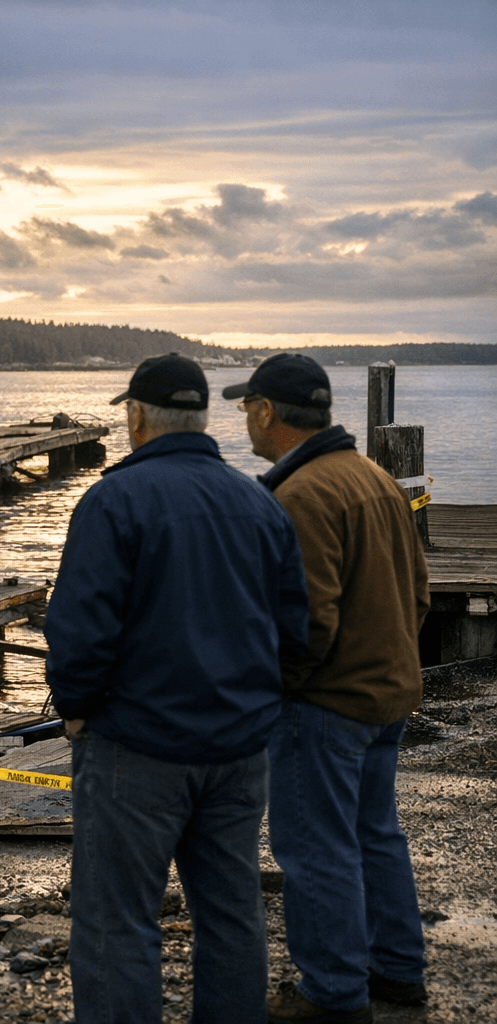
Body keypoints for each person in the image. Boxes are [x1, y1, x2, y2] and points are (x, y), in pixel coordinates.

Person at [47, 352, 310, 1024]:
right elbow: (293, 629)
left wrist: (76, 710)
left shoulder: (112, 500)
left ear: (135, 417)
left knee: (116, 923)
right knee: (232, 915)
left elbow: (81, 630)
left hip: (138, 747)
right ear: (200, 417)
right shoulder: (259, 500)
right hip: (239, 749)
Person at [224, 354, 430, 1023]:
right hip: (388, 692)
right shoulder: (374, 478)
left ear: (265, 412)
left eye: (245, 407)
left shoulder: (301, 495)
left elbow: (306, 621)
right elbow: (420, 593)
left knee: (315, 848)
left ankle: (333, 993)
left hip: (326, 706)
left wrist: (274, 692)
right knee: (375, 833)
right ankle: (398, 968)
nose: (244, 421)